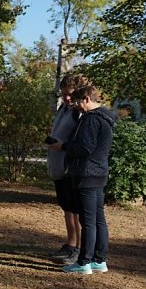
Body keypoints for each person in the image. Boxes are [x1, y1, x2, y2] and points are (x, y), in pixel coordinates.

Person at [48, 85, 117, 275]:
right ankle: (99, 260)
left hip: (86, 174)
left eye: (78, 102)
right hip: (99, 173)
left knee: (88, 221)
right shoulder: (105, 118)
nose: (77, 106)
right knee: (98, 220)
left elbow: (84, 148)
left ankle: (84, 262)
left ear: (87, 99)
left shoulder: (91, 119)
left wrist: (64, 147)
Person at [46, 74, 87, 264]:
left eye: (70, 95)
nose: (66, 98)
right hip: (58, 165)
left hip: (70, 166)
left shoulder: (80, 112)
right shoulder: (63, 108)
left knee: (75, 209)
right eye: (63, 95)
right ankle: (70, 244)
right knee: (66, 208)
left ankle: (77, 248)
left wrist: (64, 147)